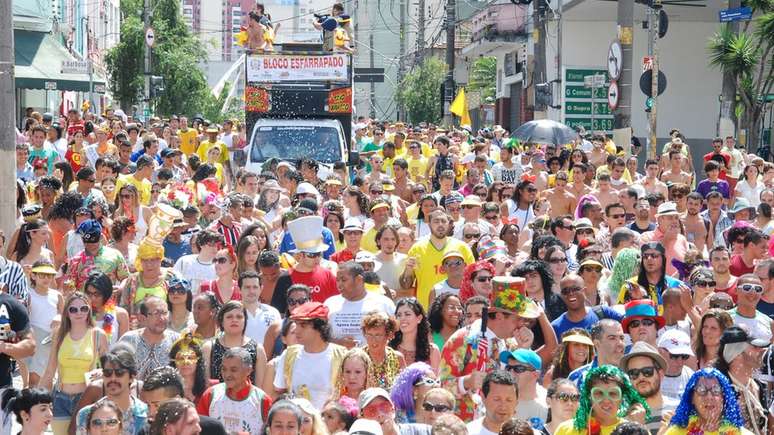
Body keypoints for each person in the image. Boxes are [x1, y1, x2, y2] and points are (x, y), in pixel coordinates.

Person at [439, 276, 541, 421]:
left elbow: (523, 386)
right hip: (466, 426)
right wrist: (467, 382)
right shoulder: (462, 340)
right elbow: (441, 390)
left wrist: (524, 349)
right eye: (518, 319)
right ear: (499, 316)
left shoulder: (512, 344)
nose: (522, 325)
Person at [39, 293, 108, 435]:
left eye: (83, 308)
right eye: (73, 309)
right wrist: (36, 399)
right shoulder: (59, 334)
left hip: (86, 398)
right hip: (60, 398)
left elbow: (107, 370)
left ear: (89, 310)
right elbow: (50, 371)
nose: (79, 313)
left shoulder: (98, 335)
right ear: (67, 313)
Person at [273, 301, 347, 409]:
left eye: (303, 325)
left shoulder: (342, 355)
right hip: (297, 423)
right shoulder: (289, 354)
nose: (296, 330)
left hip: (328, 423)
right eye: (296, 324)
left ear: (320, 327)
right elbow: (279, 391)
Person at [401, 209, 474, 308]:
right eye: (436, 221)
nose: (440, 224)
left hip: (457, 310)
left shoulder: (462, 247)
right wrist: (408, 270)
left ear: (448, 224)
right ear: (429, 224)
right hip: (426, 310)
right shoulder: (417, 249)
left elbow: (472, 279)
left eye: (443, 221)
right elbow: (406, 285)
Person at [73, 344, 148, 435]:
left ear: (131, 377)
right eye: (107, 373)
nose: (113, 379)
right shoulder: (86, 414)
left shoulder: (145, 413)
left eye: (119, 373)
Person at [196, 347, 273, 434]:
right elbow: (198, 429)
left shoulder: (263, 401)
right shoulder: (211, 395)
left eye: (233, 370)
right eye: (224, 369)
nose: (227, 374)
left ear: (248, 370)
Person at [554, 365, 648, 435]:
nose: (606, 400)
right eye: (599, 393)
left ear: (621, 398)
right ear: (589, 397)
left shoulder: (633, 431)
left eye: (613, 393)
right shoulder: (566, 429)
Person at [661, 368, 753, 435]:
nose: (709, 397)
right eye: (701, 390)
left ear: (724, 397)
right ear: (692, 397)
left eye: (716, 390)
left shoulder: (742, 434)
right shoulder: (676, 432)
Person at [138, 367, 227, 435]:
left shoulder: (212, 430)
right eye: (148, 405)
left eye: (157, 405)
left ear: (178, 400)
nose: (150, 412)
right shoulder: (147, 432)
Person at [326, 261, 395, 347]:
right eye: (337, 280)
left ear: (359, 279)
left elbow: (396, 331)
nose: (339, 285)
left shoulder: (383, 303)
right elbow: (320, 335)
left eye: (344, 280)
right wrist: (339, 342)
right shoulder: (330, 304)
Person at [713, 326, 768, 435]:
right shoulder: (716, 389)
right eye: (754, 347)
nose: (762, 350)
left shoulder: (758, 386)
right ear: (737, 354)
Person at [202, 300, 266, 386]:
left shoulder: (258, 349)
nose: (234, 320)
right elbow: (206, 385)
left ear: (245, 321)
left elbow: (260, 389)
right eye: (229, 317)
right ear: (222, 321)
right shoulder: (209, 348)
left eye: (239, 317)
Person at [620, 341, 678, 434]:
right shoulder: (623, 417)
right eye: (634, 373)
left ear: (661, 374)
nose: (641, 377)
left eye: (647, 371)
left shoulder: (678, 410)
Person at [118, 296, 180, 381]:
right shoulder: (128, 340)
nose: (162, 318)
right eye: (156, 313)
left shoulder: (177, 340)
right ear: (142, 318)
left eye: (165, 313)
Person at [550, 274, 623, 338]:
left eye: (575, 289)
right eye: (565, 291)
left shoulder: (603, 312)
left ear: (584, 291)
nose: (571, 293)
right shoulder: (556, 327)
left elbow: (630, 323)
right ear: (562, 295)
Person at [568, 319, 626, 388]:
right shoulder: (578, 378)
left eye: (622, 338)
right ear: (597, 344)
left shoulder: (633, 375)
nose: (620, 343)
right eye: (612, 338)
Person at [500, 349, 548, 429]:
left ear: (535, 374)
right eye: (508, 368)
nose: (511, 373)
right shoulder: (498, 401)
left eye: (518, 369)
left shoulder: (548, 402)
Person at [390, 298, 440, 370]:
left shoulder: (432, 350)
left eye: (407, 314)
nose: (402, 318)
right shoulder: (390, 348)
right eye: (399, 315)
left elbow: (436, 380)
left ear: (419, 318)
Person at [357, 387, 432, 435]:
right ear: (361, 418)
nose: (380, 414)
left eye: (384, 407)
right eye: (371, 410)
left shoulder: (424, 432)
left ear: (393, 409)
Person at [466, 370, 519, 435]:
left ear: (517, 401)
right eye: (497, 399)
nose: (503, 406)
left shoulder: (527, 432)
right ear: (483, 397)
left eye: (509, 400)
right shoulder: (467, 432)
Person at [727, 274, 773, 343]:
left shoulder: (769, 322)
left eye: (758, 289)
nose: (752, 292)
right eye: (747, 288)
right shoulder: (724, 318)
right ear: (736, 290)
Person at [168, 334, 209, 405]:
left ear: (198, 361)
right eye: (180, 358)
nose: (186, 363)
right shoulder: (167, 389)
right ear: (173, 362)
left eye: (190, 358)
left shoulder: (212, 388)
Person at [655, 329, 695, 402]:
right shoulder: (648, 375)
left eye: (684, 356)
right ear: (661, 351)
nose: (680, 362)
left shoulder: (691, 377)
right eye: (674, 356)